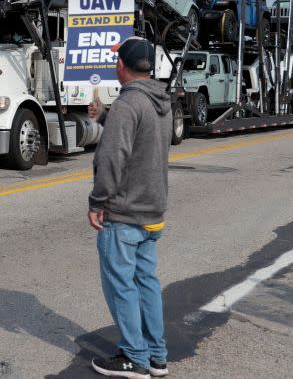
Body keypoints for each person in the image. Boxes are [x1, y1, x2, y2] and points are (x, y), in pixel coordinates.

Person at [86, 37, 172, 379]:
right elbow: (142, 139)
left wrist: (98, 201)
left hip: (124, 212)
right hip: (152, 210)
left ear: (122, 65)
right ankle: (156, 356)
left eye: (116, 60)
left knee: (120, 283)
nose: (114, 65)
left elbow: (113, 157)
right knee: (146, 282)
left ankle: (134, 357)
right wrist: (106, 115)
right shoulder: (161, 101)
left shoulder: (128, 104)